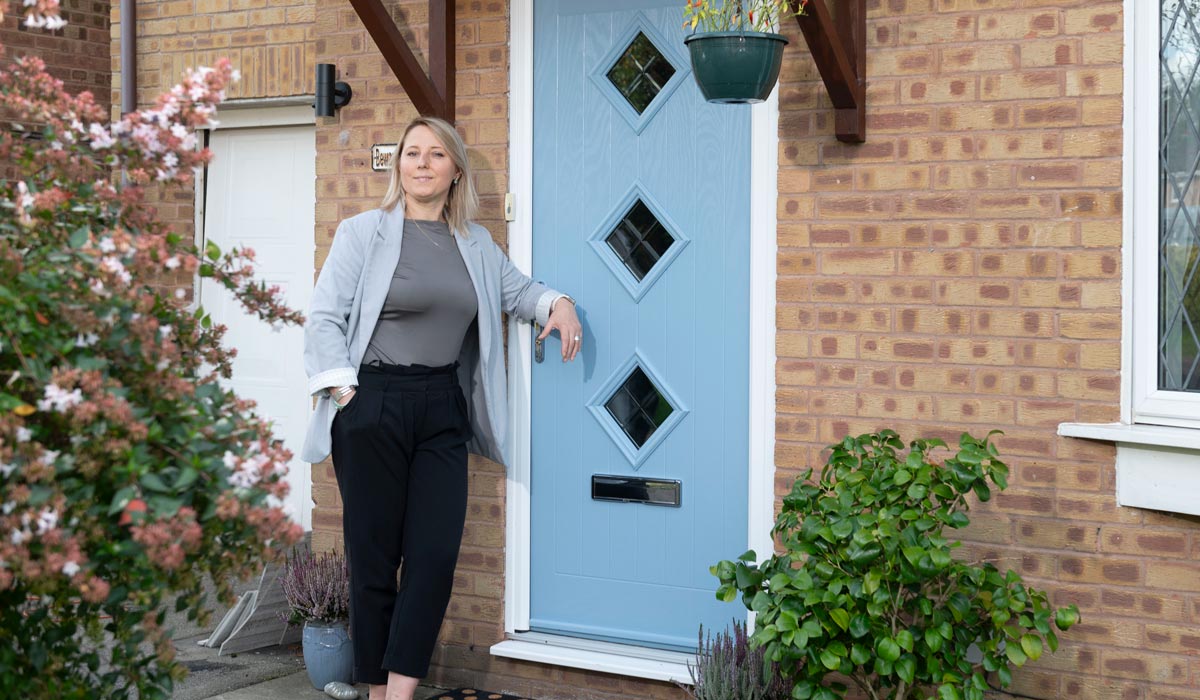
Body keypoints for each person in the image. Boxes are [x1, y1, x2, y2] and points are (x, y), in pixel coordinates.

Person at [300, 116, 582, 700]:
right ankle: (378, 691)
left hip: (440, 409)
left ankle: (398, 693)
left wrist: (560, 304)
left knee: (432, 557)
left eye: (435, 155)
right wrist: (346, 396)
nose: (421, 164)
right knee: (374, 562)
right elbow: (324, 317)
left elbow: (519, 293)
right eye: (411, 153)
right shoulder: (363, 233)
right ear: (399, 165)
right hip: (373, 402)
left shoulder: (475, 244)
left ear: (456, 171)